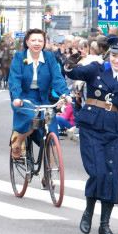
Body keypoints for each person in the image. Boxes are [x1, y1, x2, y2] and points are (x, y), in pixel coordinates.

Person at [63, 36, 118, 234]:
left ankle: (104, 225)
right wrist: (70, 65)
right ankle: (89, 210)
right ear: (109, 55)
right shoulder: (97, 69)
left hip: (113, 131)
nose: (117, 60)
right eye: (114, 55)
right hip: (91, 127)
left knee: (112, 176)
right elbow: (75, 72)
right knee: (98, 173)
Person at [9, 29, 71, 161]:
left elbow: (57, 77)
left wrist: (65, 94)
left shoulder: (49, 58)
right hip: (24, 97)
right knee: (32, 119)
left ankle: (48, 177)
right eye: (33, 40)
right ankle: (18, 142)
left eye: (40, 40)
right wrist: (16, 97)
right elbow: (15, 79)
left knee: (52, 133)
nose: (37, 43)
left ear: (44, 43)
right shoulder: (19, 57)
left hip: (43, 98)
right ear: (27, 42)